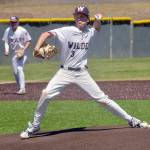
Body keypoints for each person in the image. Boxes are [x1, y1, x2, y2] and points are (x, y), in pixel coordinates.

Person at [20, 6, 149, 138]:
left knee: (103, 100)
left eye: (83, 16)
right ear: (74, 18)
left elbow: (97, 27)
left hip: (82, 73)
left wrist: (98, 19)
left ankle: (132, 120)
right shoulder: (67, 31)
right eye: (78, 15)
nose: (80, 18)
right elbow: (45, 34)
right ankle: (35, 126)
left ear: (87, 19)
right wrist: (37, 47)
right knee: (45, 94)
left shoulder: (90, 31)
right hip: (64, 72)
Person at [2, 16, 32, 94]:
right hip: (14, 54)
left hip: (23, 53)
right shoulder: (7, 30)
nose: (13, 23)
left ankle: (22, 89)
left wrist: (23, 49)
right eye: (11, 22)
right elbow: (6, 41)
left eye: (14, 22)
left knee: (19, 68)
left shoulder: (22, 30)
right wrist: (7, 50)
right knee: (15, 72)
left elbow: (28, 40)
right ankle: (20, 88)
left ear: (18, 22)